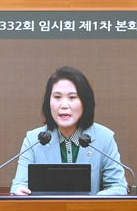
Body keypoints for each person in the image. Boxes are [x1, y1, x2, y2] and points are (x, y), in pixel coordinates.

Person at [10, 66, 128, 196]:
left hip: (90, 209)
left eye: (72, 97)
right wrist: (18, 191)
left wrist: (92, 202)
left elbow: (119, 187)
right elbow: (19, 185)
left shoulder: (104, 138)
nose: (64, 105)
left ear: (84, 101)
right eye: (57, 97)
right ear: (48, 101)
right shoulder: (34, 140)